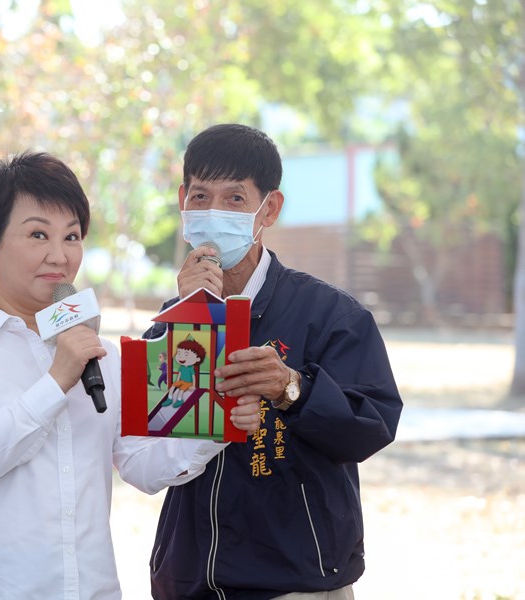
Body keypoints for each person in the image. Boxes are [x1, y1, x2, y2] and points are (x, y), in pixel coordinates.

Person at [0, 151, 262, 600]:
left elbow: (139, 464)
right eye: (38, 234)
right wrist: (57, 378)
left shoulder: (99, 354)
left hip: (87, 588)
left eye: (72, 236)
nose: (60, 255)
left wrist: (220, 425)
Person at [143, 124, 403, 600]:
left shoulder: (330, 314)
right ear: (182, 200)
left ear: (270, 209)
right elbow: (151, 438)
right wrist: (190, 319)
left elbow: (372, 425)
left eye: (235, 199)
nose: (213, 212)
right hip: (190, 579)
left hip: (296, 580)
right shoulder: (173, 316)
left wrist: (294, 389)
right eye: (200, 196)